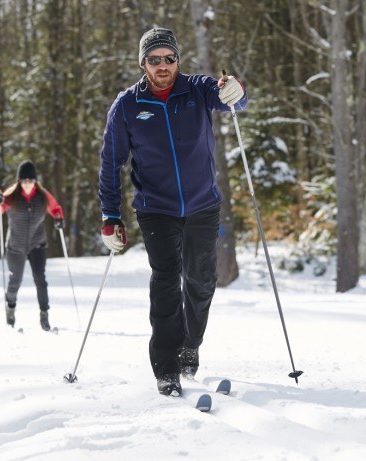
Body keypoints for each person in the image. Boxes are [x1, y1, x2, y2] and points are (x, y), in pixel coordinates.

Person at [99, 28, 248, 396]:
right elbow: (110, 163)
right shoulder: (128, 105)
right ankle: (165, 369)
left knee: (201, 282)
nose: (163, 65)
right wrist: (110, 216)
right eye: (154, 59)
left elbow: (230, 99)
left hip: (202, 204)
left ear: (178, 61)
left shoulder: (197, 88)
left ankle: (189, 346)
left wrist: (236, 92)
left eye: (169, 58)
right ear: (142, 63)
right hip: (156, 209)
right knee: (166, 282)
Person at [0, 160, 64, 331]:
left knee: (41, 279)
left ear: (35, 181)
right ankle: (10, 309)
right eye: (24, 180)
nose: (27, 183)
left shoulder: (43, 196)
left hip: (37, 244)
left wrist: (58, 218)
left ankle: (44, 316)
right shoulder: (11, 197)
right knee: (15, 281)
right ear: (19, 181)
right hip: (15, 245)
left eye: (30, 180)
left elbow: (55, 208)